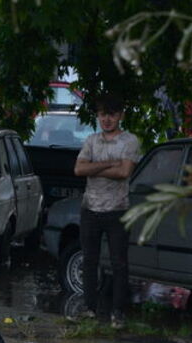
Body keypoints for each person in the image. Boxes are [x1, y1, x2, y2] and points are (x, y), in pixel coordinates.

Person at [72, 95, 142, 329]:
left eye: (111, 114)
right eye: (103, 114)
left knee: (119, 263)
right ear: (98, 116)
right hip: (90, 208)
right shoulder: (92, 140)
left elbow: (124, 173)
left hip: (117, 210)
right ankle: (90, 308)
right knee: (89, 260)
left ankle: (118, 312)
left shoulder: (130, 141)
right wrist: (108, 165)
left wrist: (95, 168)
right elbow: (79, 169)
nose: (107, 119)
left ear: (120, 115)